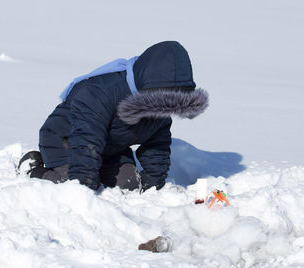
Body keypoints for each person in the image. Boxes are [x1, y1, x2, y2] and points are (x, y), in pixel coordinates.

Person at [19, 41, 208, 192]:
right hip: (66, 141)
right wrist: (83, 188)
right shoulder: (99, 92)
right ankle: (34, 169)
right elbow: (86, 140)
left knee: (129, 184)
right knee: (68, 185)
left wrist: (153, 181)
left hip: (110, 148)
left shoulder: (160, 103)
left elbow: (157, 142)